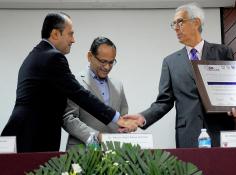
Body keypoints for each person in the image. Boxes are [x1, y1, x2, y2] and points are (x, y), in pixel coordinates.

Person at [1, 12, 137, 153]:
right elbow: (80, 95)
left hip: (27, 133)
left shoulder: (37, 54)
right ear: (55, 34)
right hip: (31, 136)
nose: (73, 40)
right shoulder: (53, 57)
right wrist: (116, 118)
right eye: (70, 34)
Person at [124, 3, 236, 148]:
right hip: (187, 133)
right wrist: (143, 117)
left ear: (196, 22)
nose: (176, 28)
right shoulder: (170, 62)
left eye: (180, 22)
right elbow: (164, 101)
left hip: (220, 130)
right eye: (173, 24)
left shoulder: (223, 52)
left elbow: (234, 89)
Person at [63, 37, 128, 150]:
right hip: (82, 152)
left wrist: (128, 126)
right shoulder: (74, 82)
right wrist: (96, 136)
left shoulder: (118, 85)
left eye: (111, 62)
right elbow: (68, 118)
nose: (107, 67)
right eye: (103, 61)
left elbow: (123, 118)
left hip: (113, 154)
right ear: (90, 56)